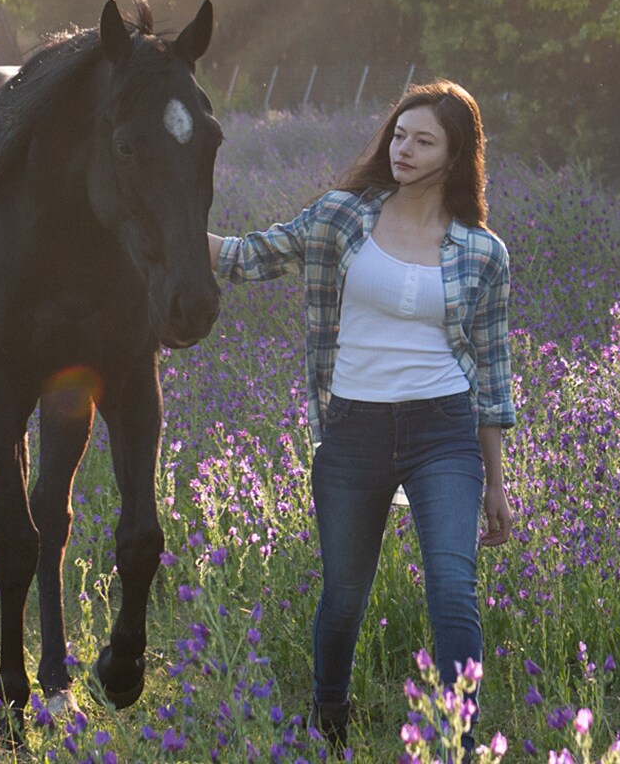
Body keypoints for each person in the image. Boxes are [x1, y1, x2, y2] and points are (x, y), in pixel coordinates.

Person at [209, 80, 516, 750]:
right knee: (344, 595)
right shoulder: (342, 216)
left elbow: (491, 376)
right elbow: (251, 256)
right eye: (399, 135)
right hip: (353, 433)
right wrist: (168, 230)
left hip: (445, 432)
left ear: (455, 155)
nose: (404, 149)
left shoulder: (483, 252)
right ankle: (329, 714)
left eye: (423, 140)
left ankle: (459, 740)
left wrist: (496, 483)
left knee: (453, 591)